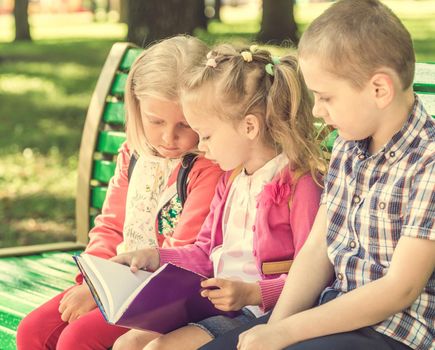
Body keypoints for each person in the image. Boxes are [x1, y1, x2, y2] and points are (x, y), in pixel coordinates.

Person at [201, 1, 435, 349]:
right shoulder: (348, 148)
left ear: (379, 89)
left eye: (326, 97)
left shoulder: (427, 162)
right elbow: (315, 252)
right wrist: (272, 329)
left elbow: (399, 289)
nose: (316, 110)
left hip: (391, 332)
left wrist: (285, 333)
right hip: (325, 314)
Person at [111, 43, 326, 350]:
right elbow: (203, 252)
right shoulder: (232, 180)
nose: (201, 146)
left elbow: (314, 277)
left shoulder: (299, 185)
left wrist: (253, 293)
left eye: (207, 135)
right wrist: (155, 256)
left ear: (249, 126)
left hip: (261, 314)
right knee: (127, 345)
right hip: (217, 306)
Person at [16, 35, 224, 350]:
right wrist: (93, 284)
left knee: (76, 340)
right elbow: (110, 225)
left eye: (185, 124)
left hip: (161, 298)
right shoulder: (134, 153)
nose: (169, 137)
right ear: (136, 107)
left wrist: (103, 291)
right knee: (32, 331)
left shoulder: (207, 167)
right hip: (112, 283)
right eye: (156, 121)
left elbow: (180, 259)